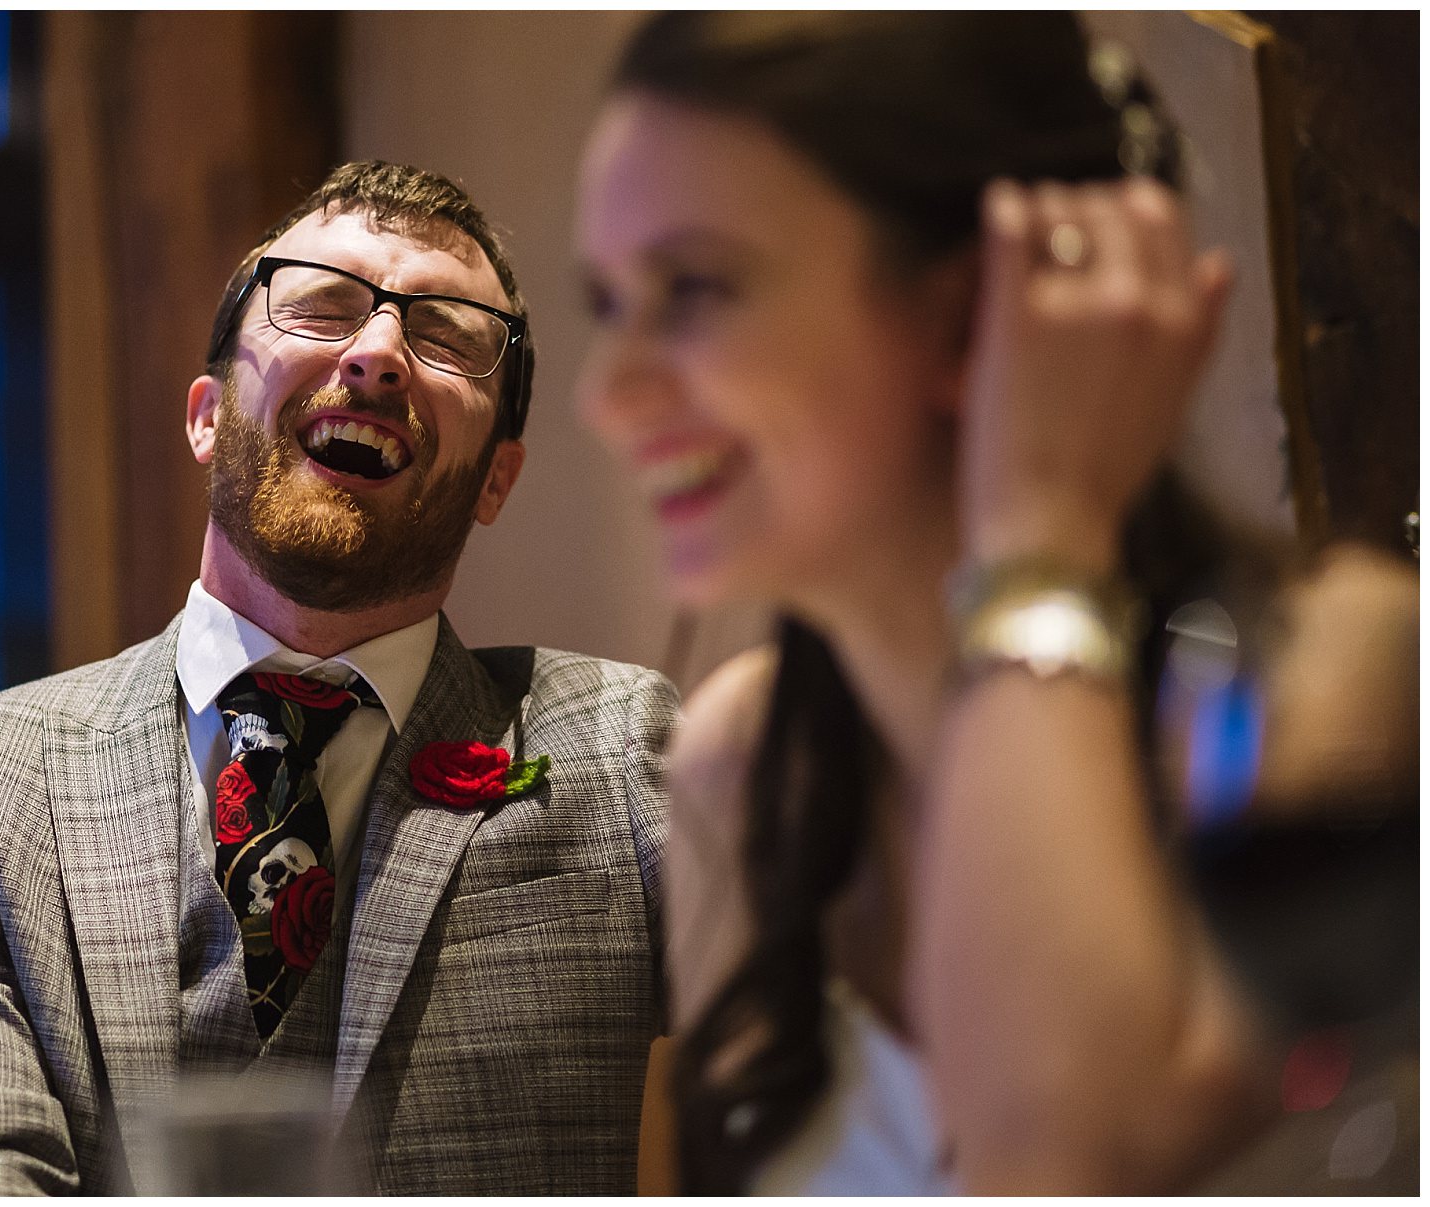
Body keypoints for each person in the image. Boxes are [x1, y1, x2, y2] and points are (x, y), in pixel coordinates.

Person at [574, 10, 1411, 1195]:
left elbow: (1059, 1161)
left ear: (988, 303)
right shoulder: (742, 767)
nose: (609, 391)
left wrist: (1038, 547)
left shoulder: (1326, 675)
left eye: (697, 286)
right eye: (606, 302)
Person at [0, 161, 675, 1195]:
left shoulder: (626, 750)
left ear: (497, 476)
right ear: (207, 417)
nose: (377, 354)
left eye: (446, 335)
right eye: (323, 308)